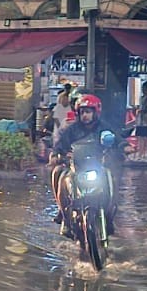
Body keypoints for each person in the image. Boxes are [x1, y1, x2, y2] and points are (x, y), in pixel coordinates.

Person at [50, 93, 117, 233]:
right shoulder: (72, 129)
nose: (85, 115)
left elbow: (117, 140)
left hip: (96, 166)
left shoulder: (103, 127)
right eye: (82, 112)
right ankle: (64, 215)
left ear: (95, 112)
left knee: (111, 176)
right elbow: (61, 144)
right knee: (58, 173)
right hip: (76, 166)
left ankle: (110, 214)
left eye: (88, 112)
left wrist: (125, 147)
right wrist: (56, 155)